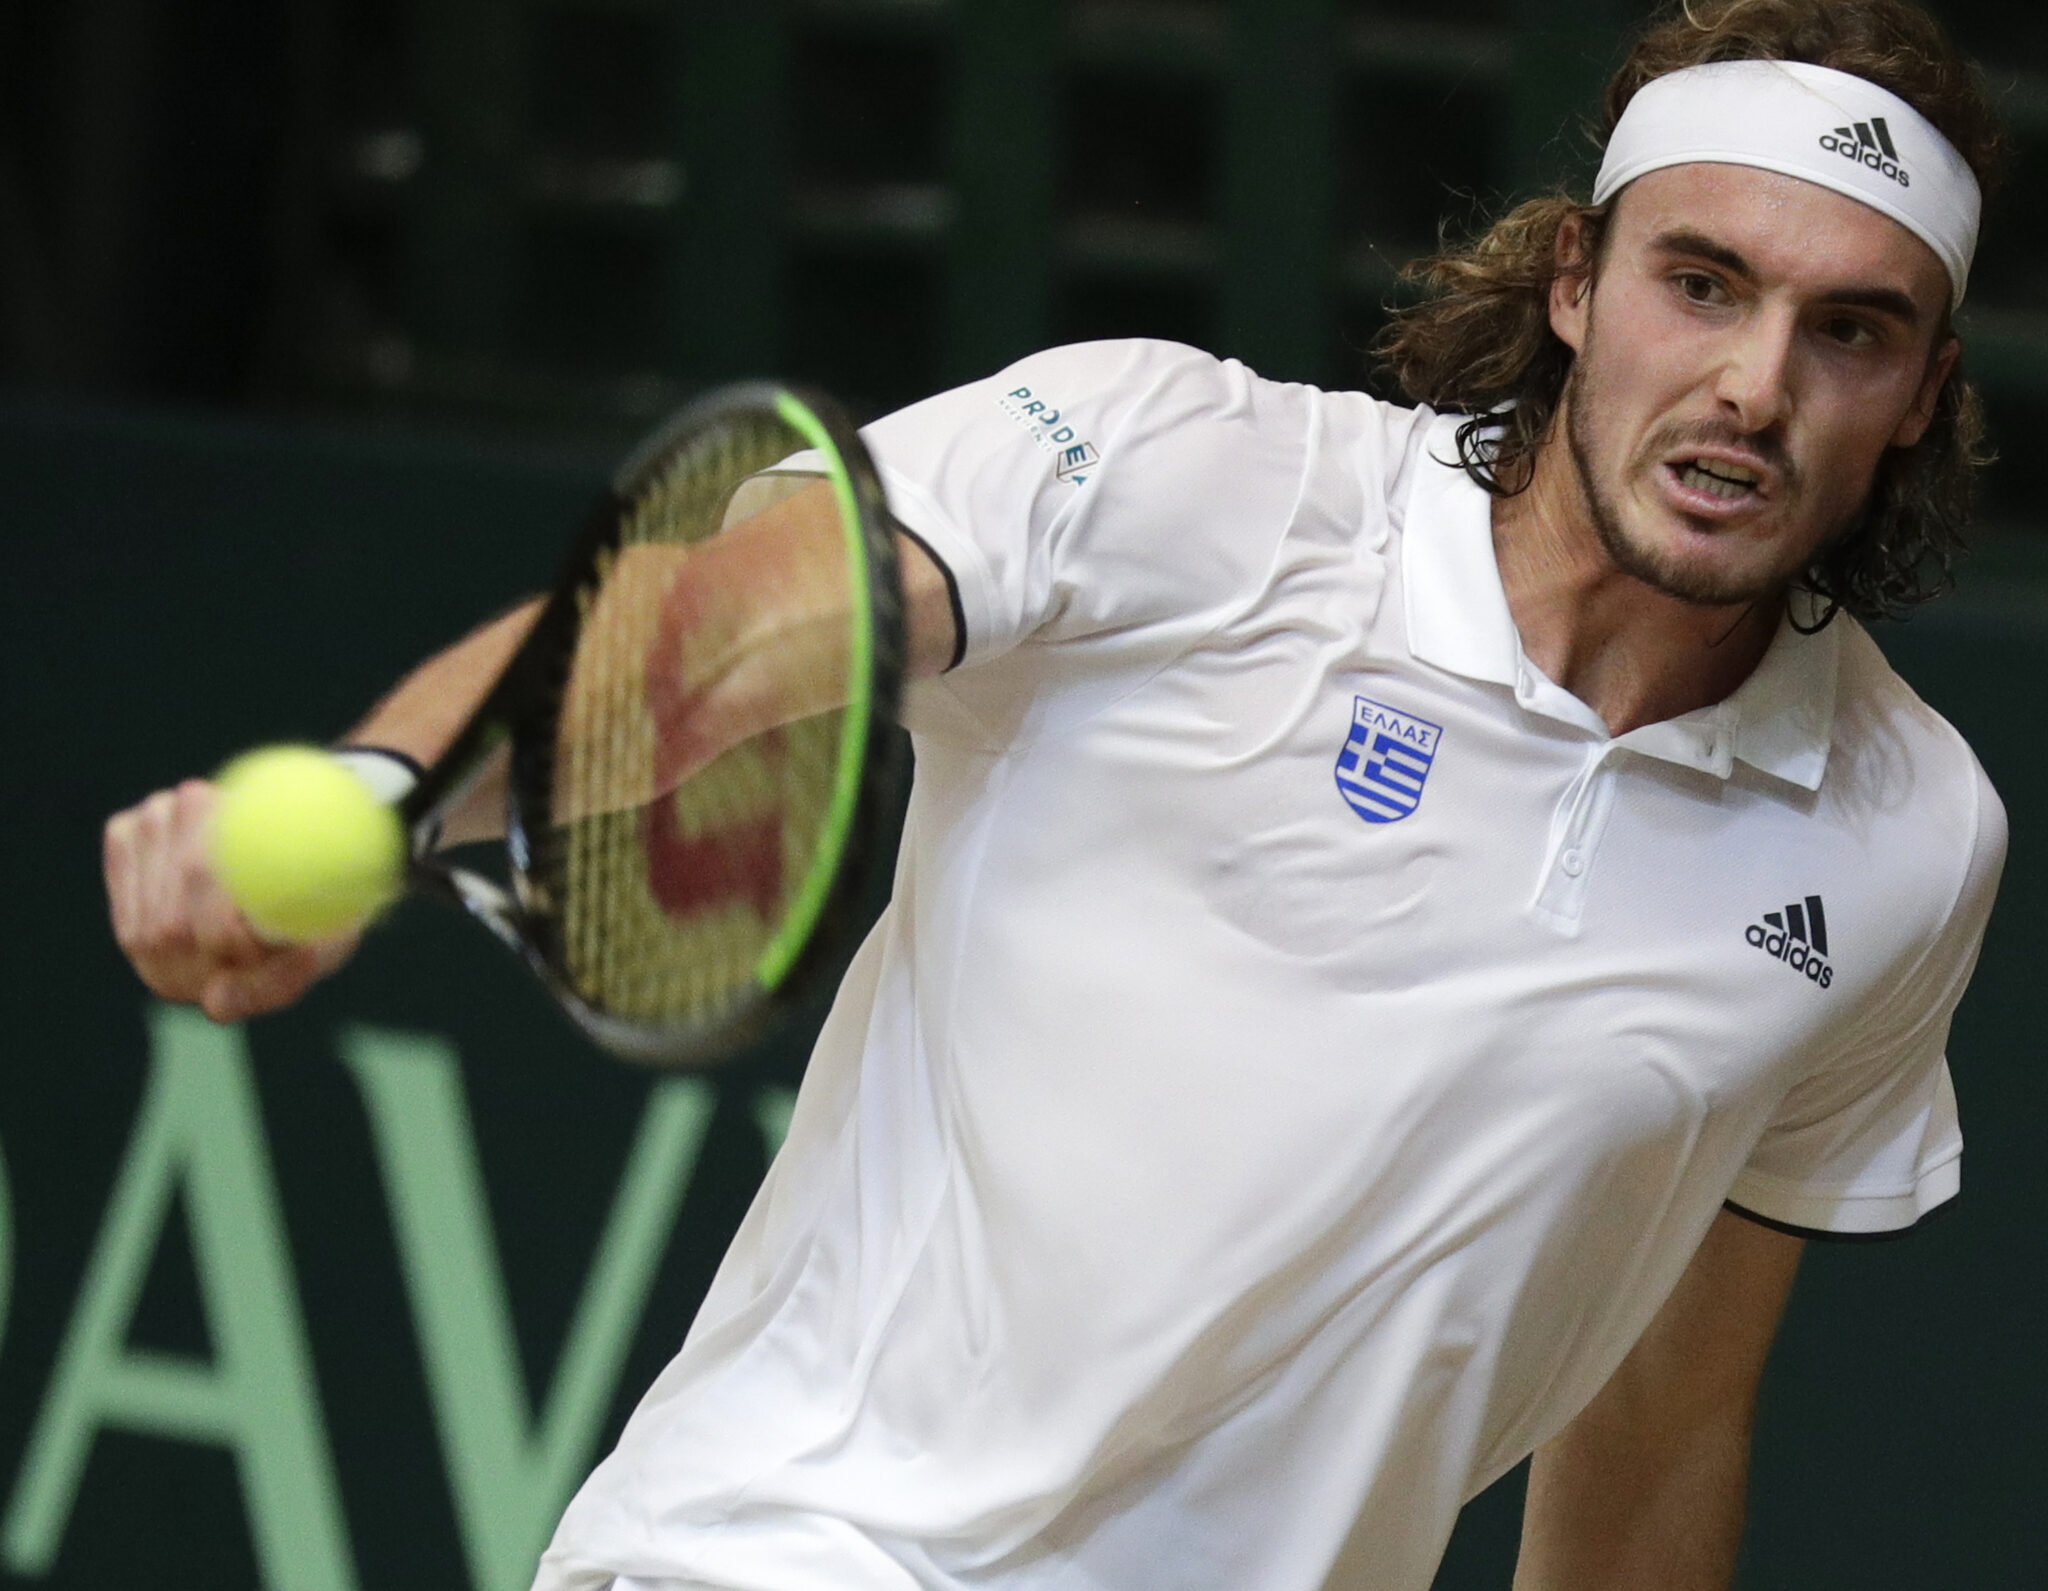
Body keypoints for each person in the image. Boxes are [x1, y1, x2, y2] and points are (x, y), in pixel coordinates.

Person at [104, 1, 2010, 1586]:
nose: (1755, 384)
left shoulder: (1902, 844)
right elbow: (707, 637)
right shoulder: (1186, 475)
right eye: (1702, 284)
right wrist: (383, 791)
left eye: (1848, 329)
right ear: (1578, 285)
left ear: (1923, 392)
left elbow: (1663, 1413)